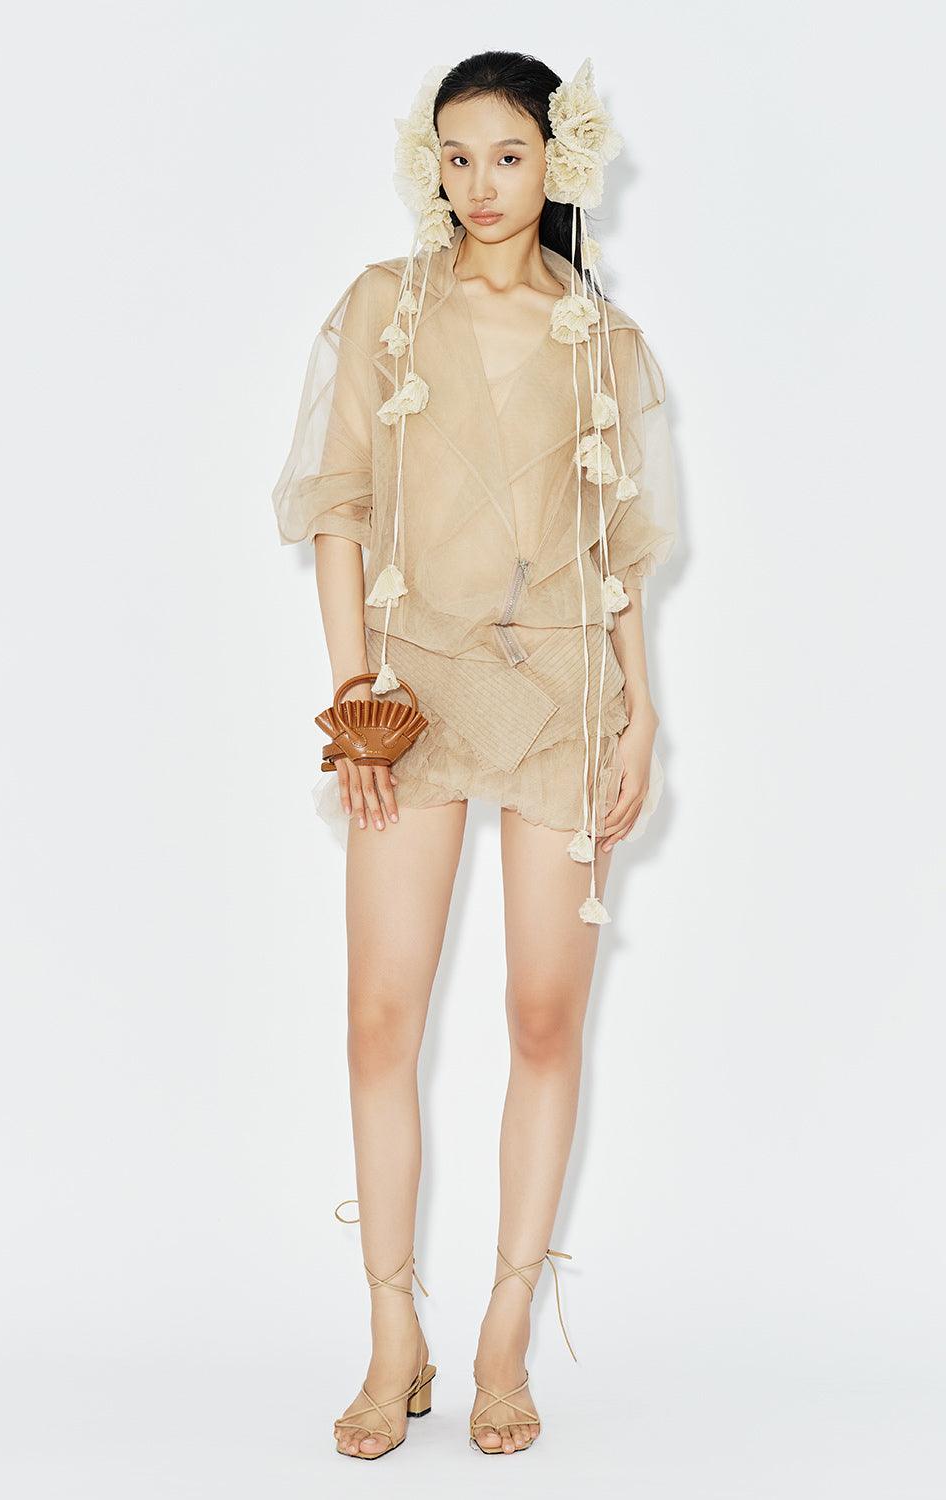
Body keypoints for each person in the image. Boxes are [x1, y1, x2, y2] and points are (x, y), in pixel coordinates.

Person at [271, 50, 678, 1460]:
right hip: (415, 691)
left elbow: (618, 551)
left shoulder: (601, 337)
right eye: (455, 155)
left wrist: (642, 716)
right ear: (428, 164)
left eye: (507, 154)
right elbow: (338, 506)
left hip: (564, 691)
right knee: (380, 1018)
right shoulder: (385, 308)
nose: (479, 184)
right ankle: (395, 1334)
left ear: (559, 160)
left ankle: (506, 1334)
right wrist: (354, 697)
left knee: (544, 1019)